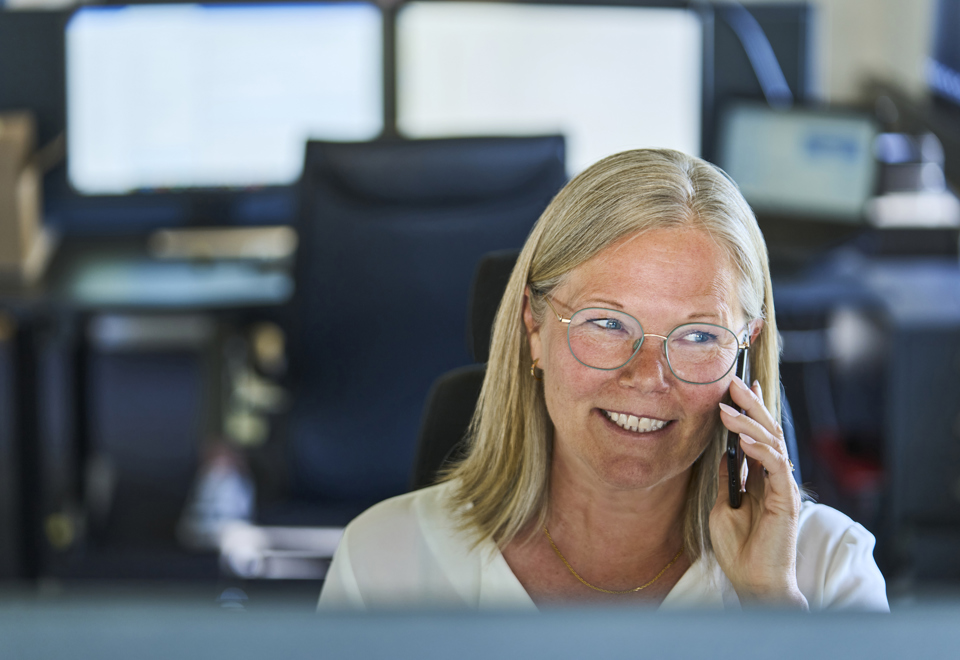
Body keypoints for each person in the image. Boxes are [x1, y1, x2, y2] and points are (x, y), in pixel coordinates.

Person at [317, 149, 888, 611]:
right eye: (608, 323)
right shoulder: (383, 562)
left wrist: (771, 611)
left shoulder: (830, 571)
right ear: (533, 328)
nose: (647, 376)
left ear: (745, 351)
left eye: (697, 335)